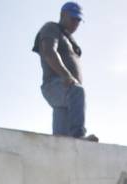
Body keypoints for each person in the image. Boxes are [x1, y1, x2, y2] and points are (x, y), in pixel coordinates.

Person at [33, 2, 97, 141]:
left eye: (78, 20)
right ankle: (79, 135)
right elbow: (49, 52)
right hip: (55, 84)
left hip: (64, 89)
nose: (76, 23)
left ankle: (60, 147)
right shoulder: (51, 28)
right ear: (62, 15)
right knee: (77, 91)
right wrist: (67, 76)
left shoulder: (69, 39)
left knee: (61, 140)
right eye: (73, 18)